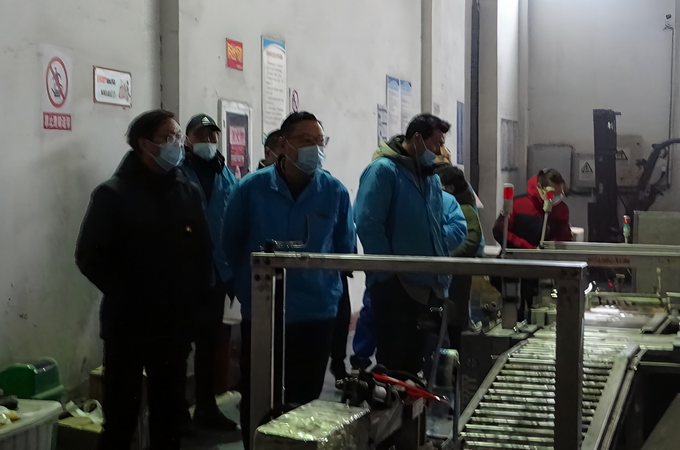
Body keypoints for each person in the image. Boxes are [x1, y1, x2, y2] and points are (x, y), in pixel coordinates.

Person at [75, 109, 213, 450]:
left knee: (169, 415)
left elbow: (202, 252)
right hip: (128, 326)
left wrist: (194, 305)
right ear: (143, 144)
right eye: (167, 137)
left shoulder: (187, 190)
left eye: (178, 137)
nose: (176, 144)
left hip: (173, 327)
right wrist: (132, 293)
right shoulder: (113, 194)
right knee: (121, 415)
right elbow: (89, 257)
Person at [223, 111, 356, 447]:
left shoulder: (334, 192)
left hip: (316, 313)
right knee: (258, 395)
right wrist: (248, 290)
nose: (315, 148)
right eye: (305, 140)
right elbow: (231, 243)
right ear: (283, 145)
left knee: (305, 399)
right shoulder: (251, 189)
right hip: (265, 313)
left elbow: (345, 249)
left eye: (320, 141)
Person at [354, 113, 453, 376]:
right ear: (417, 139)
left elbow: (436, 227)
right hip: (396, 286)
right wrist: (389, 273)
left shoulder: (430, 178)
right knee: (395, 361)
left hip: (428, 284)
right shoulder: (384, 171)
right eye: (436, 144)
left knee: (420, 360)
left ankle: (413, 403)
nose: (439, 152)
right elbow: (368, 223)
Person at [180, 113, 238, 433]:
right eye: (200, 135)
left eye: (212, 136)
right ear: (187, 140)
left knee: (209, 344)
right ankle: (177, 412)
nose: (208, 141)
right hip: (185, 275)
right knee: (179, 347)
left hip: (217, 274)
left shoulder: (225, 173)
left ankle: (205, 407)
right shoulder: (177, 171)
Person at [492, 168, 571, 321]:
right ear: (541, 188)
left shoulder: (561, 209)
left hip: (545, 271)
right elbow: (501, 231)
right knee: (515, 308)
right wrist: (528, 249)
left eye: (559, 194)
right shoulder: (518, 204)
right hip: (517, 267)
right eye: (553, 194)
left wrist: (550, 247)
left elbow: (564, 236)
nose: (556, 199)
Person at [436, 164, 485, 348]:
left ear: (450, 188)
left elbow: (471, 241)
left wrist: (447, 257)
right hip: (446, 275)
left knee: (454, 323)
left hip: (457, 276)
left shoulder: (465, 210)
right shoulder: (448, 207)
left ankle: (455, 359)